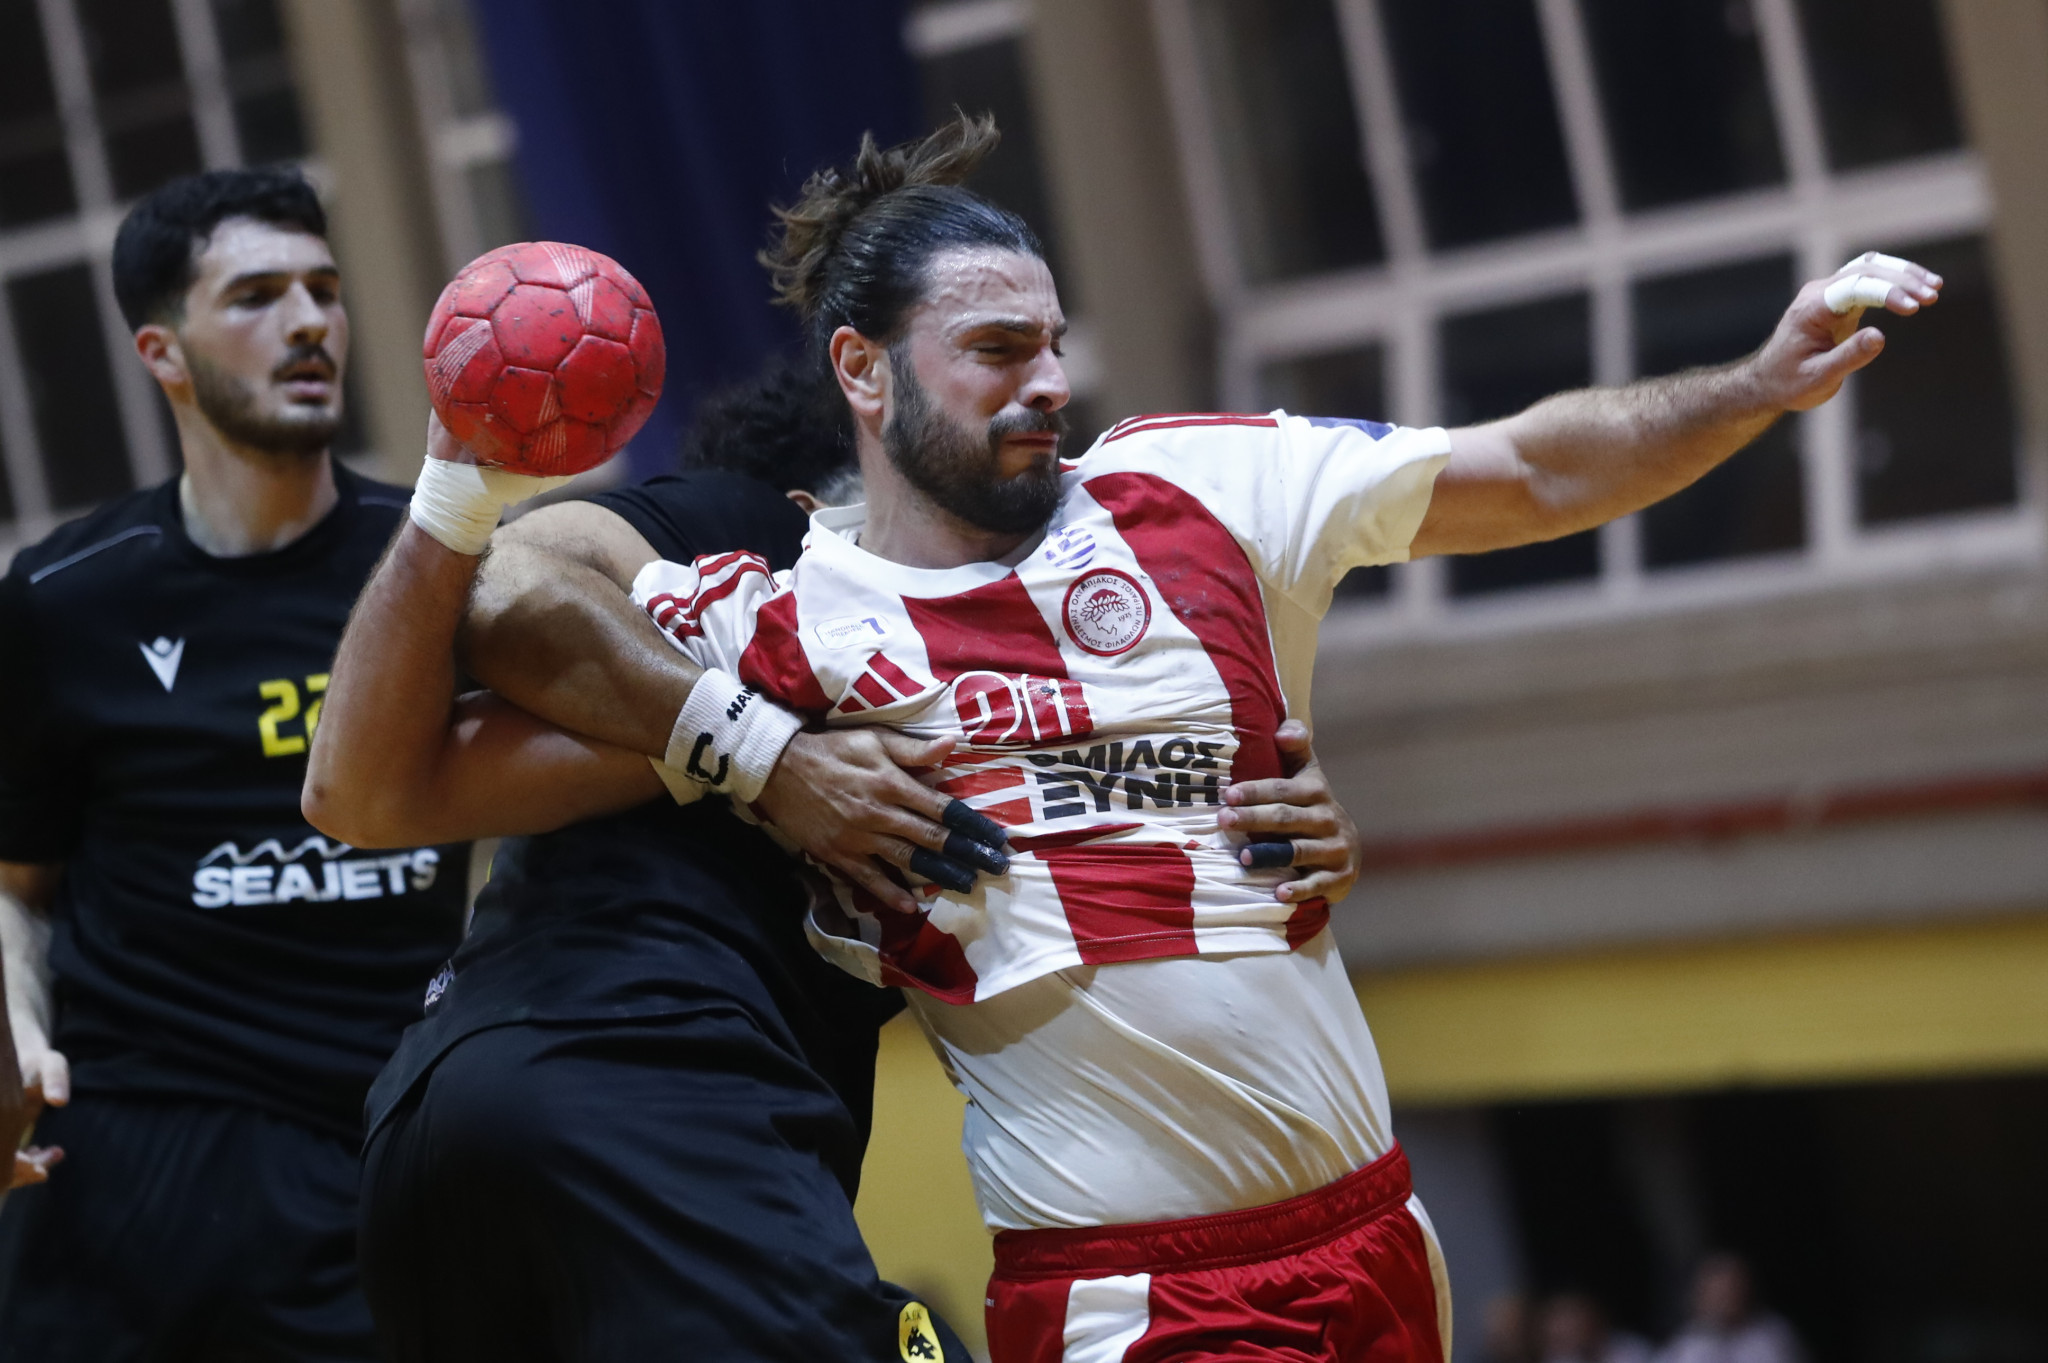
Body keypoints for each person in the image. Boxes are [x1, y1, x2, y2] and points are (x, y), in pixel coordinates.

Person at [307, 114, 1940, 1363]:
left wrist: (1752, 385)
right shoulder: (793, 623)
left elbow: (1531, 469)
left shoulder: (1193, 486)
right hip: (1130, 1282)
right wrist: (746, 747)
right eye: (999, 352)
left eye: (1056, 343)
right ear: (861, 376)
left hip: (1378, 1225)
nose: (1049, 384)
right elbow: (505, 625)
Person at [330, 357, 1368, 1363]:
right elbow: (500, 594)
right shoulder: (766, 553)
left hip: (428, 1126)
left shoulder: (710, 714)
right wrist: (762, 749)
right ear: (817, 501)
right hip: (656, 1099)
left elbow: (367, 792)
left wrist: (1282, 822)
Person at [0, 167, 469, 1361]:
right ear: (162, 353)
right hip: (151, 1121)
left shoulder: (439, 565)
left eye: (323, 289)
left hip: (390, 1112)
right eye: (257, 295)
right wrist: (15, 1035)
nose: (310, 322)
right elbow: (14, 887)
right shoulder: (63, 599)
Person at [1656, 1255, 1804, 1363]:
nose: (1725, 1300)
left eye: (1731, 1289)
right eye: (1718, 1293)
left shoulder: (1772, 1335)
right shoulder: (1686, 1345)